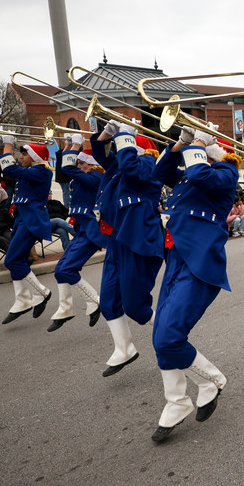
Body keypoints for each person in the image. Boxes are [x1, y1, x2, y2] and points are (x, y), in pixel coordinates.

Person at [148, 126, 240, 443]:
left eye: (199, 146)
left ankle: (211, 380)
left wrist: (199, 142)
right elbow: (161, 172)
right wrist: (182, 143)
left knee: (170, 336)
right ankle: (176, 401)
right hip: (176, 259)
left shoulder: (226, 172)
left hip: (200, 264)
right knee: (161, 336)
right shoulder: (190, 174)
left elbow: (202, 175)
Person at [90, 122, 164, 377]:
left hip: (138, 240)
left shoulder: (148, 164)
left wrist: (126, 135)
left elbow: (131, 166)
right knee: (109, 300)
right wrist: (109, 131)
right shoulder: (119, 168)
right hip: (118, 241)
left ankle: (169, 331)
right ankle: (125, 348)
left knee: (135, 306)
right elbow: (99, 151)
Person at [47, 137, 106, 332]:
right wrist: (68, 146)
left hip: (91, 232)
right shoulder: (83, 177)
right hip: (82, 229)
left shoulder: (96, 177)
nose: (77, 165)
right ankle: (66, 308)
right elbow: (64, 172)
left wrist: (77, 145)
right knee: (60, 269)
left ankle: (96, 301)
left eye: (81, 162)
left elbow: (68, 169)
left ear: (92, 164)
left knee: (66, 270)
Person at [0, 137, 54, 324]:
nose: (21, 157)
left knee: (12, 260)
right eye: (21, 153)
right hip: (23, 219)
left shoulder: (41, 171)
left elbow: (9, 168)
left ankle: (42, 292)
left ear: (35, 156)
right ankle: (22, 300)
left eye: (24, 153)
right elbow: (2, 172)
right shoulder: (30, 171)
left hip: (32, 221)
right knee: (18, 260)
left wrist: (7, 145)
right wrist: (0, 147)